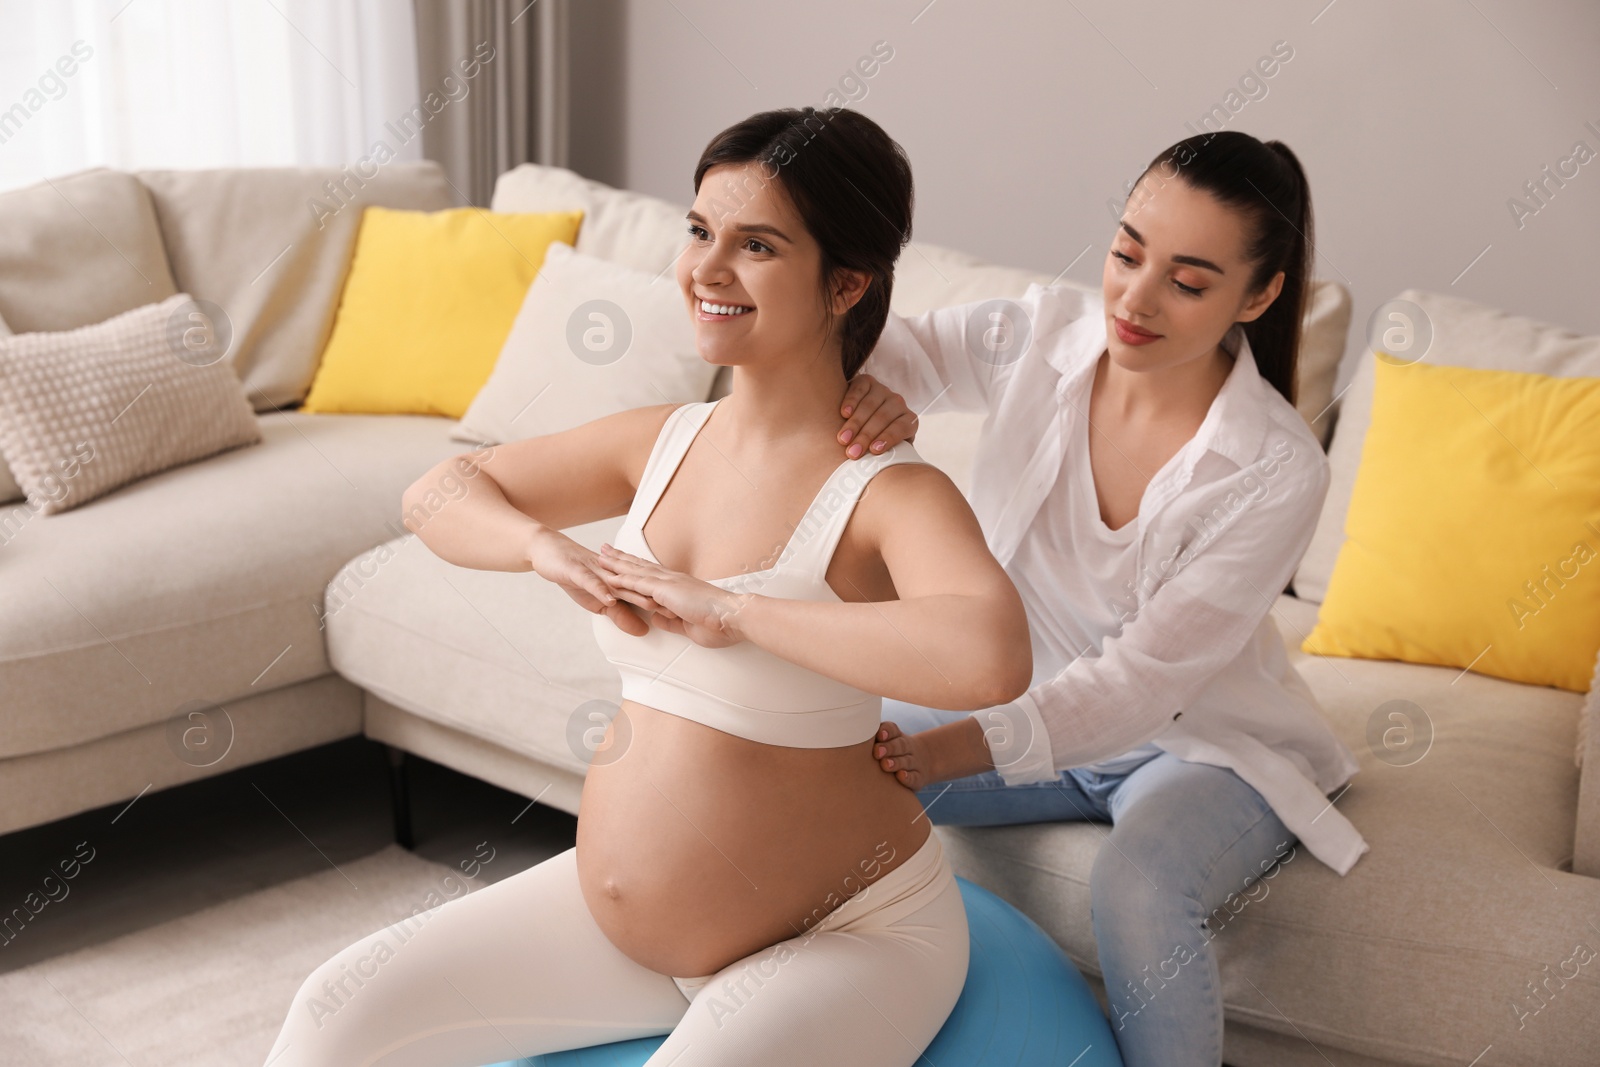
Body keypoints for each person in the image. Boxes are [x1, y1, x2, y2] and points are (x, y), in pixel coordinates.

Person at [262, 107, 1032, 1067]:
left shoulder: (890, 490)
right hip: (619, 928)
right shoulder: (659, 440)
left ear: (846, 282)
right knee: (331, 1016)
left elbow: (992, 653)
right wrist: (546, 549)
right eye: (700, 231)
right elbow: (441, 491)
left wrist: (736, 610)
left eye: (757, 245)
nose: (707, 270)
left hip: (845, 935)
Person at [838, 130, 1369, 1067]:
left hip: (1192, 747)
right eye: (1128, 253)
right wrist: (881, 390)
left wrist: (937, 752)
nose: (1135, 296)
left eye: (1188, 282)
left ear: (1259, 294)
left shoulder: (1279, 467)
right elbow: (888, 349)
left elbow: (1139, 687)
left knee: (1138, 885)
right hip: (1020, 708)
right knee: (816, 758)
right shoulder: (1037, 334)